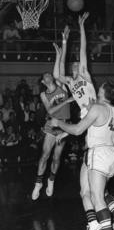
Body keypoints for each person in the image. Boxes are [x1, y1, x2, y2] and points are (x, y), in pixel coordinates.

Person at [53, 14, 114, 230]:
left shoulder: (85, 77)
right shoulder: (72, 82)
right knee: (94, 189)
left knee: (94, 190)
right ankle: (108, 221)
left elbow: (84, 51)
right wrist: (63, 47)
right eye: (74, 64)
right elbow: (58, 74)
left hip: (94, 122)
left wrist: (81, 28)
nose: (76, 64)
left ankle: (101, 228)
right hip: (90, 125)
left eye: (77, 63)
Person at [50, 82, 114, 230]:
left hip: (99, 153)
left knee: (97, 197)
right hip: (112, 153)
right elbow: (94, 125)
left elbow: (77, 130)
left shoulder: (97, 108)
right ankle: (99, 225)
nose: (98, 88)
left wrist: (59, 123)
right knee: (92, 193)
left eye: (100, 87)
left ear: (103, 91)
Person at [31, 72, 74, 200]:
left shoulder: (61, 85)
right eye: (45, 76)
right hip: (51, 125)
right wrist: (67, 101)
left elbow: (60, 68)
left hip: (64, 125)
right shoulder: (43, 94)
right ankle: (38, 184)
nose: (49, 75)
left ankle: (51, 181)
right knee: (45, 155)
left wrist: (60, 53)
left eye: (49, 74)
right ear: (43, 82)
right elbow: (50, 111)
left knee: (57, 157)